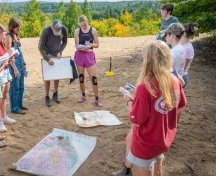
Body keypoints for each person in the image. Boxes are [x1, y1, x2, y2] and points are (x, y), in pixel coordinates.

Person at [114, 40, 187, 176]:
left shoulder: (145, 87)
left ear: (147, 61)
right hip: (163, 139)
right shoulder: (176, 81)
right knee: (157, 168)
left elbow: (137, 120)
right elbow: (181, 107)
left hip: (145, 143)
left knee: (142, 170)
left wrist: (130, 101)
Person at [0, 24, 16, 132]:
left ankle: (4, 116)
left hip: (5, 71)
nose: (5, 36)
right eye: (3, 33)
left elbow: (5, 55)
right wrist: (8, 55)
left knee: (5, 95)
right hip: (0, 73)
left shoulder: (0, 44)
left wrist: (10, 55)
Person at [74, 15, 103, 107]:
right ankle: (83, 96)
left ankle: (97, 98)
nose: (84, 27)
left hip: (89, 56)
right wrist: (82, 48)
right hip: (80, 55)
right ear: (79, 24)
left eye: (85, 25)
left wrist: (90, 45)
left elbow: (97, 44)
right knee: (81, 77)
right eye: (82, 25)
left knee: (93, 78)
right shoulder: (77, 31)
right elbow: (77, 45)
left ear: (87, 22)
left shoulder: (93, 30)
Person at [38, 19, 68, 107]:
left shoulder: (64, 29)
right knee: (48, 76)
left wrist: (60, 51)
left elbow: (65, 42)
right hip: (47, 53)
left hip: (57, 53)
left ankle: (55, 93)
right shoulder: (46, 31)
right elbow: (41, 47)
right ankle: (47, 96)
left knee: (56, 75)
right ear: (52, 27)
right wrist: (47, 59)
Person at [6, 17, 28, 114]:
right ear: (12, 27)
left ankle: (19, 104)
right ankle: (14, 108)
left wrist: (24, 63)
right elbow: (9, 55)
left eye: (19, 28)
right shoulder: (8, 38)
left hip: (20, 64)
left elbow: (20, 52)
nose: (19, 30)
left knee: (21, 86)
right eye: (17, 28)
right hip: (14, 65)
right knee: (15, 87)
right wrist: (14, 69)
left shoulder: (16, 36)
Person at [181, 23, 197, 88]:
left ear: (184, 33)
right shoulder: (183, 45)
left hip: (181, 77)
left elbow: (182, 67)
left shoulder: (187, 48)